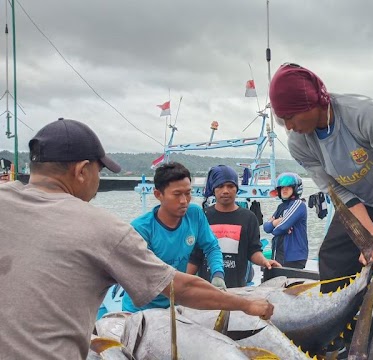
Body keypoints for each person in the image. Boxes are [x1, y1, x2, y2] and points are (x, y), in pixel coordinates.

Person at [0, 118, 273, 360]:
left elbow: (208, 248)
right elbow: (181, 288)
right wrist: (247, 304)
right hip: (138, 318)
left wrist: (217, 275)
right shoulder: (105, 228)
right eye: (99, 170)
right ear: (82, 170)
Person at [269, 63, 373, 353]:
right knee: (331, 257)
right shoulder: (299, 143)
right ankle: (338, 342)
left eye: (290, 116)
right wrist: (369, 239)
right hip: (358, 201)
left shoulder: (362, 114)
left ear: (312, 103)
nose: (289, 126)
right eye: (282, 120)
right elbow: (339, 192)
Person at [121, 162, 226, 312]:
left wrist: (218, 274)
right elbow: (153, 278)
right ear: (158, 195)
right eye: (177, 194)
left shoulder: (194, 214)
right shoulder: (141, 229)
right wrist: (198, 288)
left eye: (188, 193)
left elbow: (211, 246)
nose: (184, 201)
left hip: (175, 303)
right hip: (141, 309)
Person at [188, 165, 280, 288]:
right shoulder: (204, 216)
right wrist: (182, 283)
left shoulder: (249, 217)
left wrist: (264, 262)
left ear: (237, 189)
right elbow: (195, 256)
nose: (225, 191)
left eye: (230, 186)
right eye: (220, 186)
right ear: (213, 189)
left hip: (237, 287)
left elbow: (253, 251)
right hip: (206, 288)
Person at [263, 172, 309, 269]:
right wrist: (276, 223)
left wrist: (276, 226)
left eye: (288, 187)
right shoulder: (281, 207)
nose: (284, 189)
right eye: (282, 187)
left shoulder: (298, 204)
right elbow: (266, 227)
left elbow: (280, 228)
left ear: (295, 189)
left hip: (293, 257)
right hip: (279, 254)